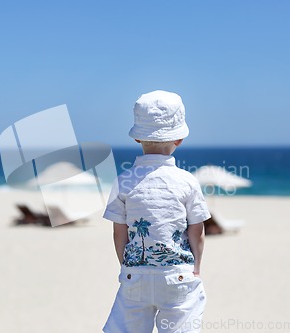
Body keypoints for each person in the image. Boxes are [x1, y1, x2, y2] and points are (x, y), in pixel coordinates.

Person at [103, 90, 211, 333]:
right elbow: (197, 231)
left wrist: (126, 265)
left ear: (137, 139)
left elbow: (119, 233)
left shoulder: (123, 181)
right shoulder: (187, 181)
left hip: (135, 276)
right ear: (179, 139)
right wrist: (196, 267)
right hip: (177, 275)